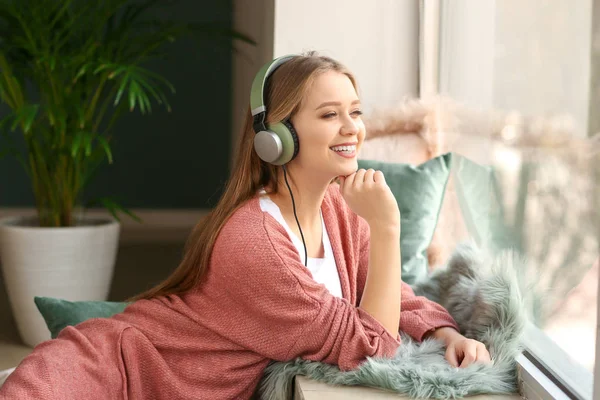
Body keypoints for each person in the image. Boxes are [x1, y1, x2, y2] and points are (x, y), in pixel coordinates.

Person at [0, 52, 491, 400]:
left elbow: (387, 296)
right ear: (275, 137)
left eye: (355, 112)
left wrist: (445, 335)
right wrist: (387, 227)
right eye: (329, 114)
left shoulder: (339, 212)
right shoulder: (253, 240)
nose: (353, 128)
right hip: (103, 381)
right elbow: (371, 347)